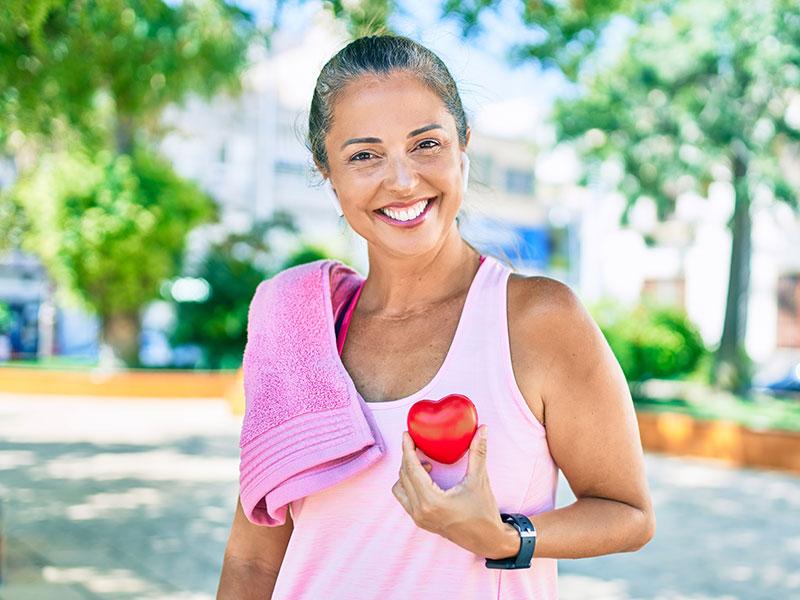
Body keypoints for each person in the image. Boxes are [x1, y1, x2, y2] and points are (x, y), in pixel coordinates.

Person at [217, 34, 655, 599]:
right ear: (327, 171)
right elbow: (253, 560)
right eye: (364, 155)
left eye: (426, 144)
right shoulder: (296, 329)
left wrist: (504, 536)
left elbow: (628, 513)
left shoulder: (536, 319)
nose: (402, 181)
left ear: (463, 145)